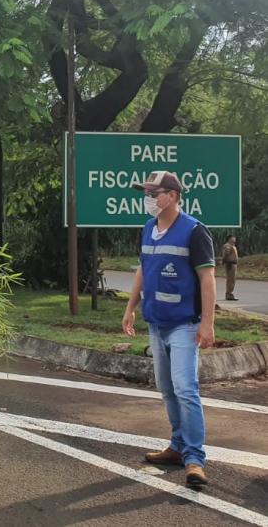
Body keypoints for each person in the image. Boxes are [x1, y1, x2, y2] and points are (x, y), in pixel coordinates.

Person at [121, 171, 215, 487]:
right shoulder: (148, 229)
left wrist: (208, 323)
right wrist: (130, 308)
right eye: (146, 192)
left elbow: (207, 279)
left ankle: (194, 459)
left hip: (185, 325)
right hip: (156, 324)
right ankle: (176, 446)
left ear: (172, 196)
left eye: (154, 192)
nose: (148, 198)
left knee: (185, 388)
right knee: (167, 388)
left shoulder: (194, 231)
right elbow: (142, 271)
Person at [221, 235, 239, 301]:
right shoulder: (227, 245)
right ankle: (229, 294)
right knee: (230, 280)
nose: (234, 239)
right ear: (229, 239)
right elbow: (226, 254)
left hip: (233, 264)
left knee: (232, 280)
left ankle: (230, 293)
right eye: (233, 238)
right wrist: (225, 261)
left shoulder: (233, 246)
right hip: (230, 264)